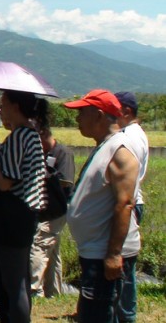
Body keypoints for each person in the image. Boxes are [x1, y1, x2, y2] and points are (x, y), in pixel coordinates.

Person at [64, 89, 140, 323]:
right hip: (94, 250)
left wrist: (114, 254)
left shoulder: (120, 151)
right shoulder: (105, 146)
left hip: (103, 253)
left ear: (98, 115)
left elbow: (125, 204)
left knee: (98, 315)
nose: (77, 119)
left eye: (82, 113)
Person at [0, 90, 47, 323]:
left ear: (15, 106)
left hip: (13, 214)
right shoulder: (28, 135)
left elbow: (5, 182)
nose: (0, 108)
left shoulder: (20, 136)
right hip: (20, 215)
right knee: (14, 278)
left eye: (3, 103)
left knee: (12, 282)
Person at [30, 122, 75, 298]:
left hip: (58, 207)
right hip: (45, 208)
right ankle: (53, 291)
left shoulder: (63, 153)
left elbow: (66, 181)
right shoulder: (41, 153)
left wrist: (43, 177)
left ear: (43, 134)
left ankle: (33, 289)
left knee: (39, 242)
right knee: (52, 249)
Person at [114, 91, 148, 322]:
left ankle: (126, 316)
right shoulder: (133, 133)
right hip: (133, 201)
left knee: (123, 265)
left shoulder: (130, 136)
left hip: (130, 203)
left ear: (126, 111)